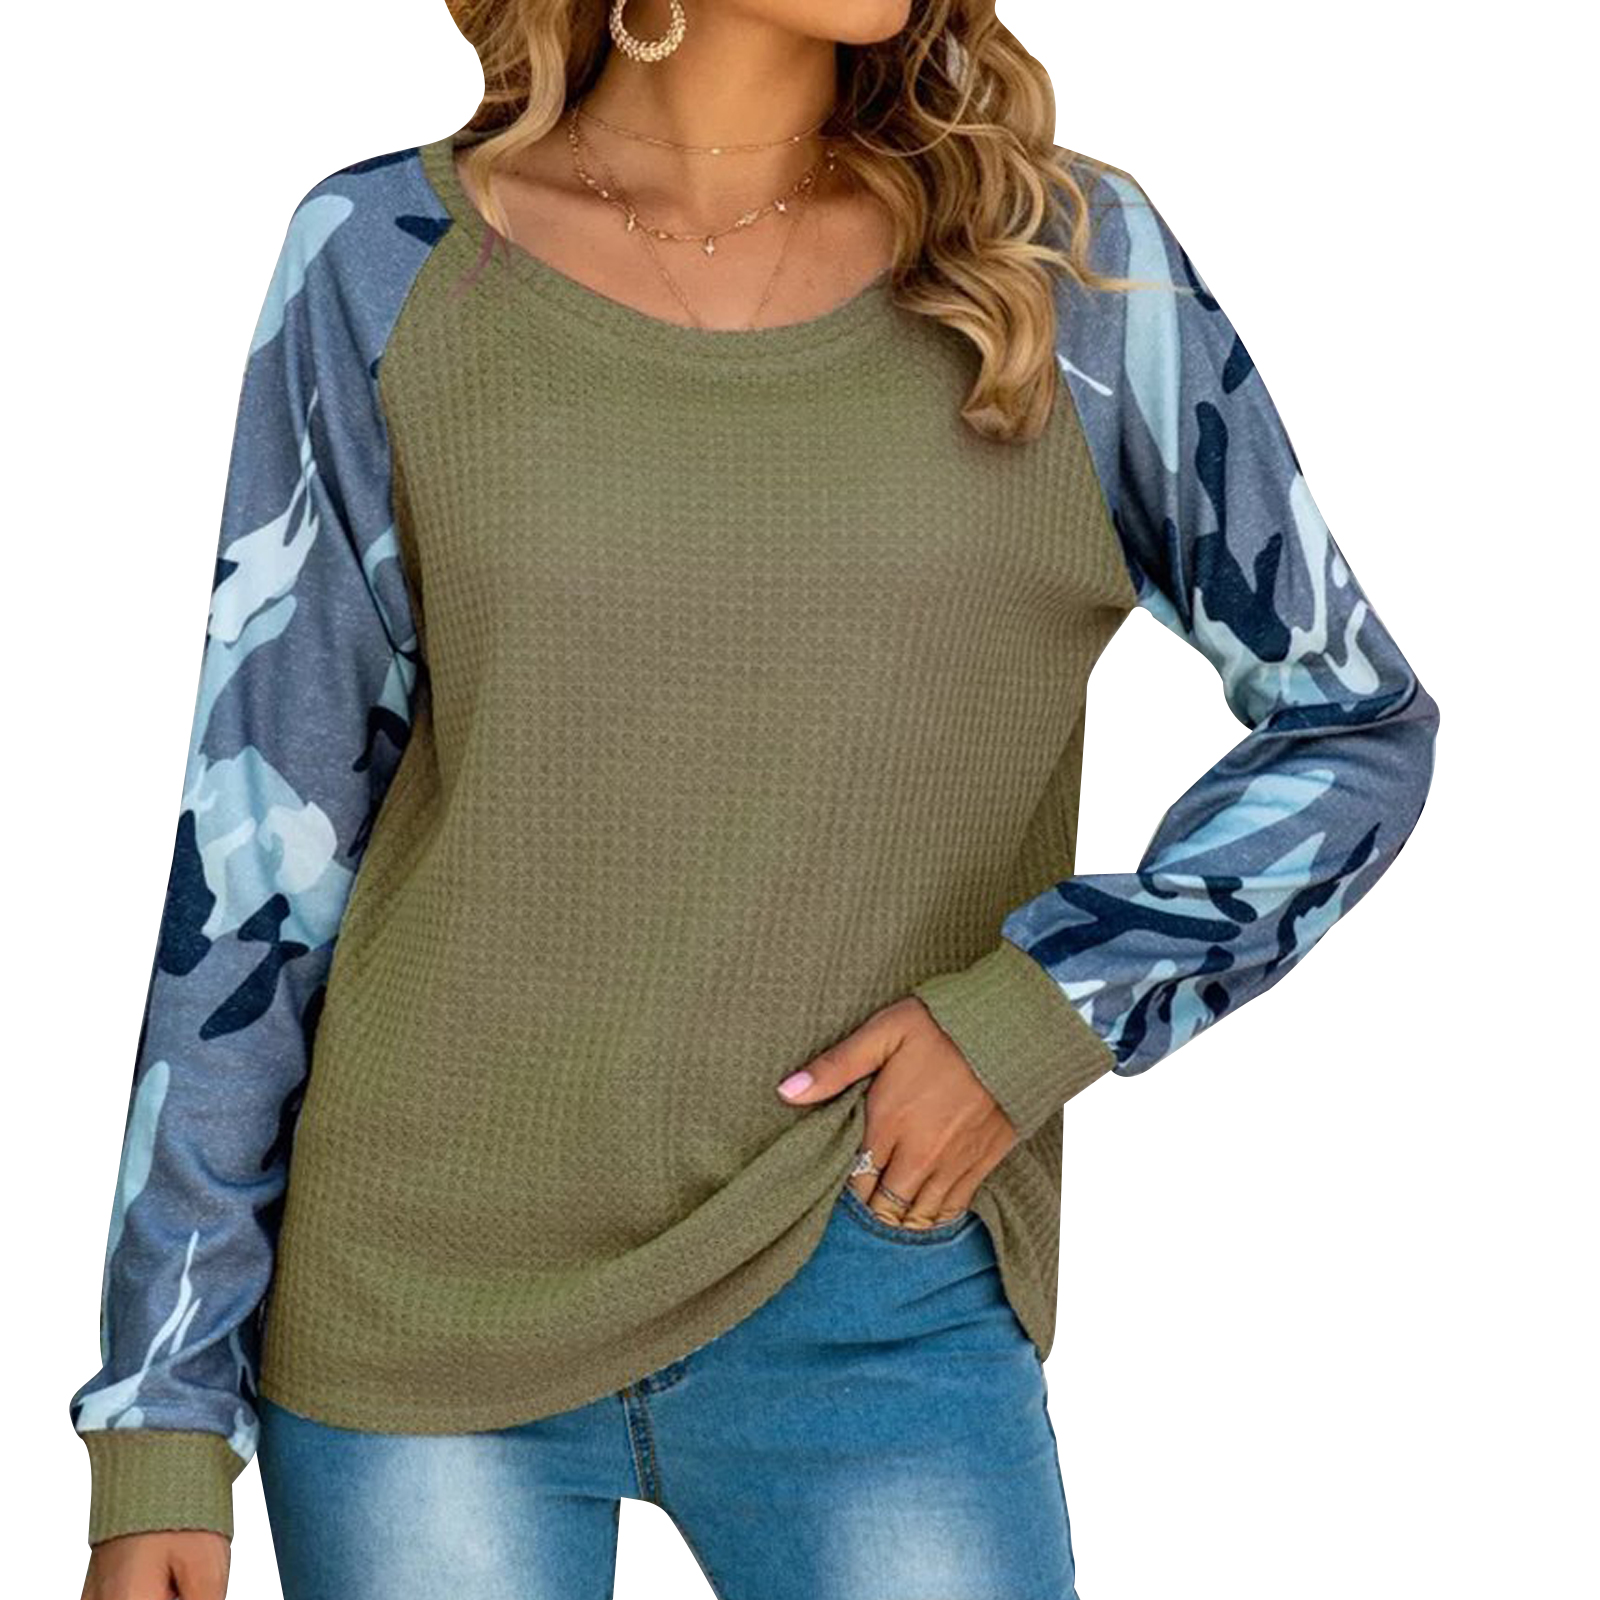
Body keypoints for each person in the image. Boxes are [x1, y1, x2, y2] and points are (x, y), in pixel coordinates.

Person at [70, 1, 1440, 1596]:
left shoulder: (1064, 271)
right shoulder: (383, 257)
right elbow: (255, 857)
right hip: (418, 1310)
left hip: (874, 1283)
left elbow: (1357, 721)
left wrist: (1043, 1009)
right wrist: (162, 1411)